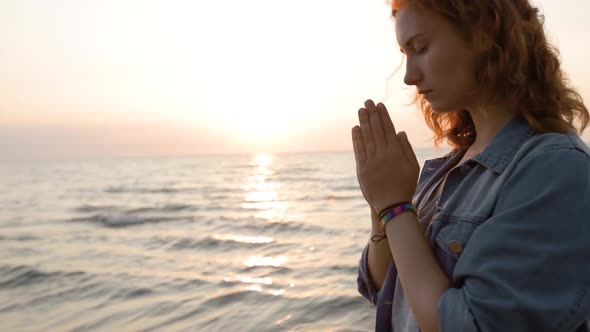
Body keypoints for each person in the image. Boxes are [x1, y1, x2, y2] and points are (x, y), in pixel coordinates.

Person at [353, 1, 590, 331]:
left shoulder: (555, 169)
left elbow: (471, 324)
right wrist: (382, 201)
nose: (409, 76)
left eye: (420, 47)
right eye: (405, 55)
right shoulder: (450, 168)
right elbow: (382, 286)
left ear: (484, 35)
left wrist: (394, 206)